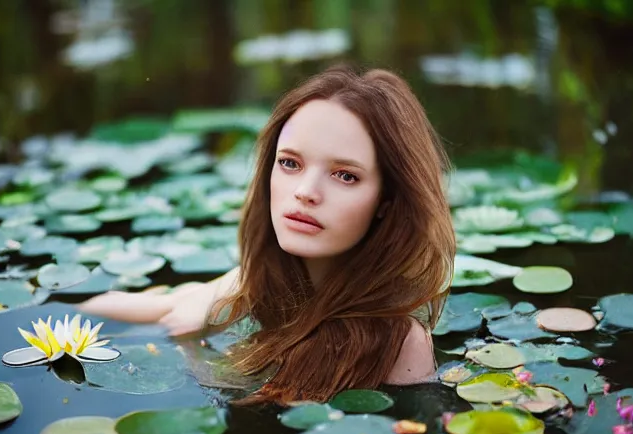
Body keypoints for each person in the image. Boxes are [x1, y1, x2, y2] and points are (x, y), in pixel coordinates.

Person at [79, 64, 456, 404]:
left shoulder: (401, 342)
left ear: (386, 204)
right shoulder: (259, 283)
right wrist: (52, 311)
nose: (305, 191)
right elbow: (156, 310)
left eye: (345, 175)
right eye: (290, 163)